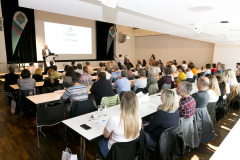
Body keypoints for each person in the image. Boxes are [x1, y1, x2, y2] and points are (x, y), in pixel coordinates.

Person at [99, 91, 141, 158]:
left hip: (114, 154)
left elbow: (105, 136)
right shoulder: (138, 117)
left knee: (101, 140)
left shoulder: (114, 120)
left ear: (122, 103)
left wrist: (112, 134)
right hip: (131, 153)